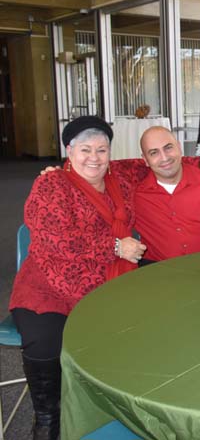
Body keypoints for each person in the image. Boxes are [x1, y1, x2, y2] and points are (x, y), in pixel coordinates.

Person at [10, 116, 146, 440]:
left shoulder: (119, 176)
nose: (94, 158)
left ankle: (115, 404)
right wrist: (116, 246)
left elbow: (154, 161)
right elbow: (57, 240)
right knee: (46, 341)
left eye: (102, 149)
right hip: (48, 284)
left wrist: (197, 162)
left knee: (147, 318)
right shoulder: (51, 184)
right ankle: (47, 417)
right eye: (85, 149)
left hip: (106, 281)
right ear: (69, 151)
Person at [134, 126, 200, 263]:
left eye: (168, 148)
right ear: (145, 160)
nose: (164, 157)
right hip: (160, 272)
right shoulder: (135, 193)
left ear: (179, 147)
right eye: (154, 153)